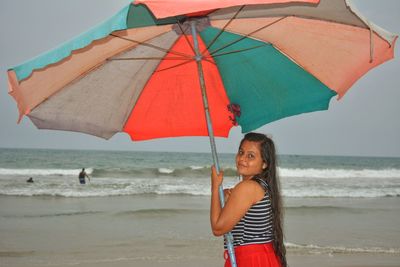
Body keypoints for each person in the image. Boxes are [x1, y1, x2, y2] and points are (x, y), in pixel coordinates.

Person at [210, 132, 286, 267]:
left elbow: (218, 228)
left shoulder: (247, 188)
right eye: (241, 152)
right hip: (264, 256)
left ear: (264, 163)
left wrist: (215, 188)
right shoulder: (263, 186)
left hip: (251, 259)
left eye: (250, 156)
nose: (242, 159)